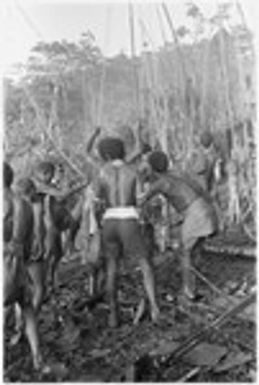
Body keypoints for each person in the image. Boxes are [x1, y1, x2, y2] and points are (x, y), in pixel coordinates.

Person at [95, 137, 160, 327]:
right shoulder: (134, 171)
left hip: (109, 220)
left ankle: (113, 315)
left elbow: (98, 200)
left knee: (112, 267)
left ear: (105, 154)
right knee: (145, 263)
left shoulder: (102, 172)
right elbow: (140, 200)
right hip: (129, 219)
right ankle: (155, 307)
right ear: (122, 151)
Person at [139, 151, 218, 301]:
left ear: (151, 167)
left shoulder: (160, 183)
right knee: (194, 252)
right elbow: (200, 189)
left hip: (195, 213)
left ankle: (188, 292)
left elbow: (141, 199)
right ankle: (192, 289)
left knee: (185, 252)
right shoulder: (177, 173)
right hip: (205, 208)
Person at [3, 162, 42, 370]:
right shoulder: (25, 205)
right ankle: (38, 357)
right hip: (20, 265)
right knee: (27, 311)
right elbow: (28, 241)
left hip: (4, 265)